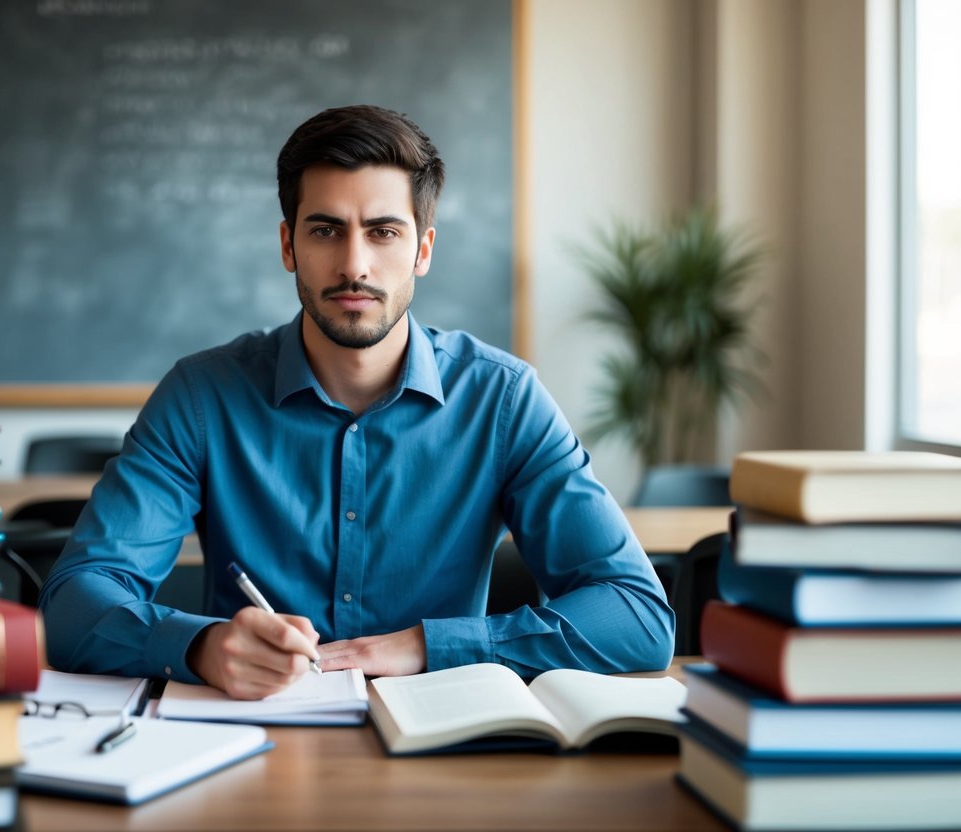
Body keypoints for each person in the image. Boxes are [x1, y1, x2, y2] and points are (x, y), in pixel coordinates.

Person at [39, 104, 674, 700]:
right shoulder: (201, 397)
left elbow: (638, 616)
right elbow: (73, 603)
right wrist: (200, 645)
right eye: (326, 230)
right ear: (289, 245)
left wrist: (429, 646)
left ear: (422, 250)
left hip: (443, 746)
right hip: (249, 745)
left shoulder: (503, 400)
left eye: (384, 232)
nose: (354, 264)